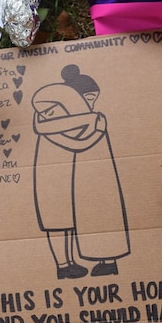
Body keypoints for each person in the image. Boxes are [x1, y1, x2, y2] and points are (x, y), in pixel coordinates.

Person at [31, 65, 130, 279]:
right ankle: (64, 265)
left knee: (97, 214)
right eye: (87, 97)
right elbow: (76, 145)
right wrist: (97, 131)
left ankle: (106, 260)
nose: (91, 103)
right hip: (54, 180)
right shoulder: (51, 123)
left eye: (93, 98)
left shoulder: (91, 120)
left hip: (83, 180)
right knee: (57, 221)